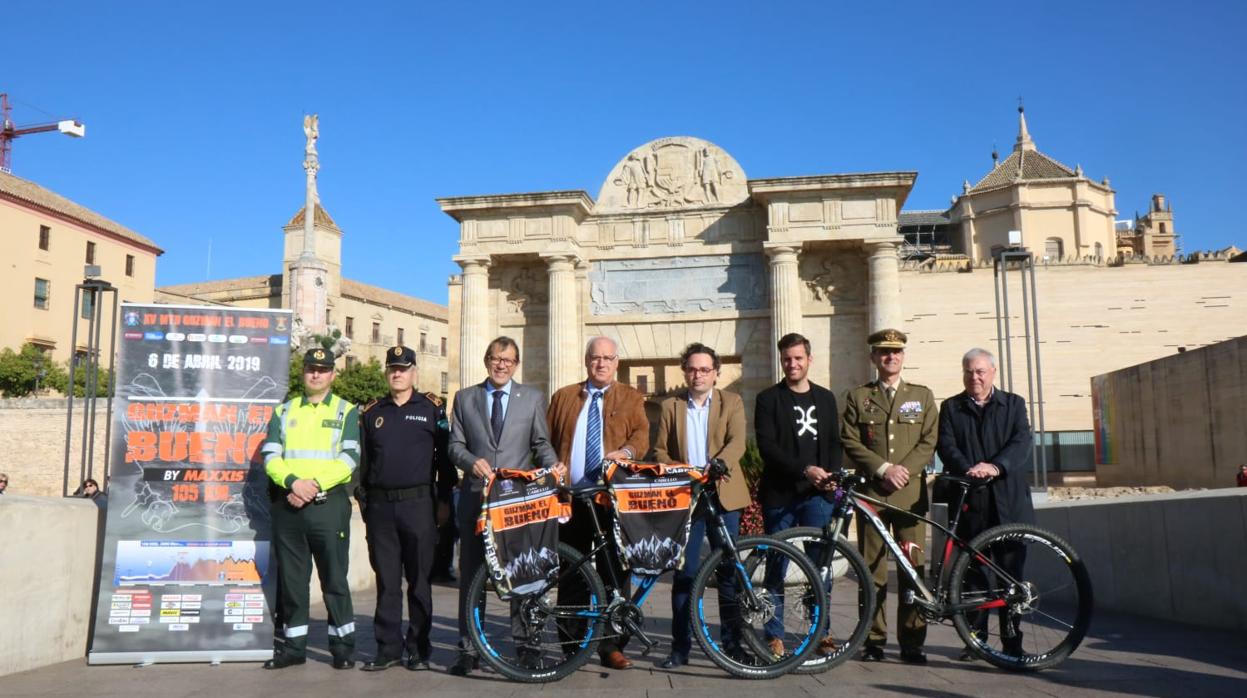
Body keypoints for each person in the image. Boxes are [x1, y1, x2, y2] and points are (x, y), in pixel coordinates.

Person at [446, 336, 560, 676]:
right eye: (496, 358)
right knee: (471, 577)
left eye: (508, 360)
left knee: (523, 573)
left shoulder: (533, 398)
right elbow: (454, 445)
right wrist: (470, 461)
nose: (501, 365)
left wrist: (554, 471)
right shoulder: (465, 398)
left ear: (516, 364)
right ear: (486, 360)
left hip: (517, 503)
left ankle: (527, 646)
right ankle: (469, 648)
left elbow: (541, 443)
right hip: (476, 499)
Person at [547, 336, 649, 671]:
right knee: (571, 573)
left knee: (614, 573)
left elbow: (641, 437)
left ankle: (611, 645)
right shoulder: (563, 397)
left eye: (607, 358)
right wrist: (551, 466)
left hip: (609, 500)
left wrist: (627, 453)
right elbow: (545, 440)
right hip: (572, 497)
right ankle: (571, 645)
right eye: (595, 358)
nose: (601, 363)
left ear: (616, 362)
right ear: (586, 360)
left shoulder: (632, 398)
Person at [841, 329, 938, 664]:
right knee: (871, 570)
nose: (890, 357)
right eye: (883, 352)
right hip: (873, 497)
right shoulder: (858, 397)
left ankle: (912, 642)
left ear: (903, 356)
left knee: (913, 569)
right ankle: (873, 640)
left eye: (896, 352)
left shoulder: (922, 396)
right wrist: (883, 468)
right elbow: (850, 440)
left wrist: (904, 471)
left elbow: (928, 441)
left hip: (910, 498)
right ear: (873, 358)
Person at [357, 345, 456, 672]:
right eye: (392, 368)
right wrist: (366, 505)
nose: (397, 373)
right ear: (387, 372)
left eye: (403, 368)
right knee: (386, 582)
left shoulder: (431, 409)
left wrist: (443, 501)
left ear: (414, 371)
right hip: (382, 508)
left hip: (419, 506)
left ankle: (419, 649)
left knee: (419, 580)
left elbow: (444, 460)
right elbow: (365, 464)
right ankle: (387, 648)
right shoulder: (372, 412)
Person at [261, 347, 360, 670]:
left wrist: (311, 485)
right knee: (292, 581)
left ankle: (343, 647)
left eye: (322, 369)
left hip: (327, 505)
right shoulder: (284, 412)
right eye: (310, 369)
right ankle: (293, 646)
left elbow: (349, 461)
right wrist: (292, 482)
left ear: (332, 374)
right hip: (289, 505)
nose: (315, 374)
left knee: (334, 579)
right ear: (303, 372)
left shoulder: (347, 411)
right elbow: (271, 456)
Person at [652, 342, 748, 668]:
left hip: (724, 495)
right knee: (685, 573)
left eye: (705, 369)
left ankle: (733, 644)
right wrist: (681, 471)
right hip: (687, 499)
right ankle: (680, 647)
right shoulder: (670, 407)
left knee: (729, 572)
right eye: (692, 369)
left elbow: (738, 442)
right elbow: (660, 452)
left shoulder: (731, 402)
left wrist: (718, 463)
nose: (698, 375)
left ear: (716, 373)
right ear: (685, 371)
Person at [936, 347, 1035, 660]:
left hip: (1008, 503)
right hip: (971, 503)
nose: (974, 377)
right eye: (969, 371)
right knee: (974, 574)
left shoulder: (1014, 404)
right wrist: (968, 469)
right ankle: (975, 639)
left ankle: (1011, 640)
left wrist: (995, 467)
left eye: (980, 371)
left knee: (1011, 575)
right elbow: (946, 445)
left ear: (993, 372)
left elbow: (1021, 442)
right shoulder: (951, 407)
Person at [755, 332, 843, 658]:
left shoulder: (826, 398)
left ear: (809, 359)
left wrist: (830, 476)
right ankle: (773, 634)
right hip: (781, 495)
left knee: (821, 568)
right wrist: (806, 470)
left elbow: (835, 442)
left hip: (818, 497)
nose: (792, 364)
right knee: (775, 566)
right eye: (787, 359)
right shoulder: (768, 399)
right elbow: (768, 448)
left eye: (798, 358)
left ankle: (822, 631)